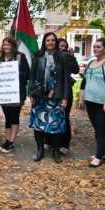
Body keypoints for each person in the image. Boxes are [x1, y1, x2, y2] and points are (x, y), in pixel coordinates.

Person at [79, 38, 105, 168]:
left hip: (103, 103)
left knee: (102, 130)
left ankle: (99, 156)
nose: (95, 49)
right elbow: (84, 81)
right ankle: (100, 152)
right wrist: (81, 98)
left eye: (98, 47)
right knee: (97, 129)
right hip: (91, 102)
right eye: (95, 47)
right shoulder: (91, 62)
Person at [29, 32, 69, 163]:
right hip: (40, 96)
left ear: (56, 42)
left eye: (52, 40)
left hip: (56, 97)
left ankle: (56, 151)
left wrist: (65, 97)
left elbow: (65, 79)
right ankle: (39, 150)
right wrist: (32, 94)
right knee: (39, 125)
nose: (50, 42)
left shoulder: (62, 57)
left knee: (56, 125)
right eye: (47, 40)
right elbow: (32, 77)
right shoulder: (38, 56)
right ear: (44, 42)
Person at [0, 37, 30, 153]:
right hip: (3, 93)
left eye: (8, 45)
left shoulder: (21, 57)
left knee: (14, 117)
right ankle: (6, 141)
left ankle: (11, 142)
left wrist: (14, 72)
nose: (6, 47)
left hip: (16, 93)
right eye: (4, 44)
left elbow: (27, 74)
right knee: (7, 118)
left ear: (13, 46)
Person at [56, 38, 79, 153]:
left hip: (66, 91)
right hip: (53, 91)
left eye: (65, 46)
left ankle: (65, 143)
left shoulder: (68, 57)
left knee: (64, 117)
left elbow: (76, 70)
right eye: (61, 46)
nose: (63, 48)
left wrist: (72, 57)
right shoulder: (53, 57)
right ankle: (51, 141)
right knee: (53, 116)